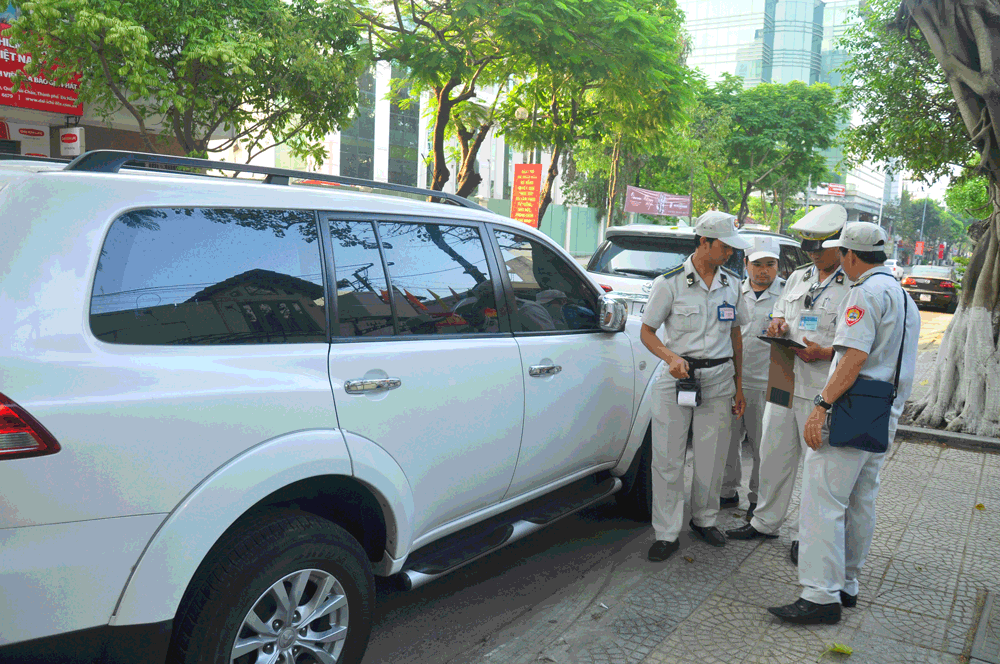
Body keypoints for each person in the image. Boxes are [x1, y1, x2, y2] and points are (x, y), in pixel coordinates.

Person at [768, 222, 920, 624]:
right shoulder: (904, 297)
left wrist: (821, 404)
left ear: (850, 256)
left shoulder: (864, 294)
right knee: (860, 500)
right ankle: (848, 583)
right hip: (882, 413)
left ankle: (820, 595)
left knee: (824, 501)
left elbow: (853, 359)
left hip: (851, 410)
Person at [726, 204, 852, 561]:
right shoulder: (799, 276)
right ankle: (764, 521)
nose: (812, 253)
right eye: (808, 247)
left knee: (816, 467)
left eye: (819, 247)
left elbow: (858, 345)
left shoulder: (854, 285)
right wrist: (777, 326)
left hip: (821, 388)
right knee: (773, 454)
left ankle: (806, 536)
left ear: (839, 245)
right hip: (784, 379)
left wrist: (826, 353)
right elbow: (780, 313)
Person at [640, 211, 751, 562]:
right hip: (676, 381)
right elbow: (647, 332)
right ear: (704, 242)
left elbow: (736, 336)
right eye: (724, 246)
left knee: (712, 457)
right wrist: (669, 357)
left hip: (718, 380)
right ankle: (667, 532)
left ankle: (704, 520)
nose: (730, 253)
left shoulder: (732, 284)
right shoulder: (670, 283)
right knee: (668, 460)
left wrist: (740, 386)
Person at [720, 236, 784, 520]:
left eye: (770, 264)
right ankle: (726, 491)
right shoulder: (731, 291)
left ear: (778, 266)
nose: (763, 270)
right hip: (732, 380)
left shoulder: (788, 295)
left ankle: (758, 499)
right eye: (757, 264)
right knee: (728, 440)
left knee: (763, 445)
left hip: (768, 382)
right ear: (745, 264)